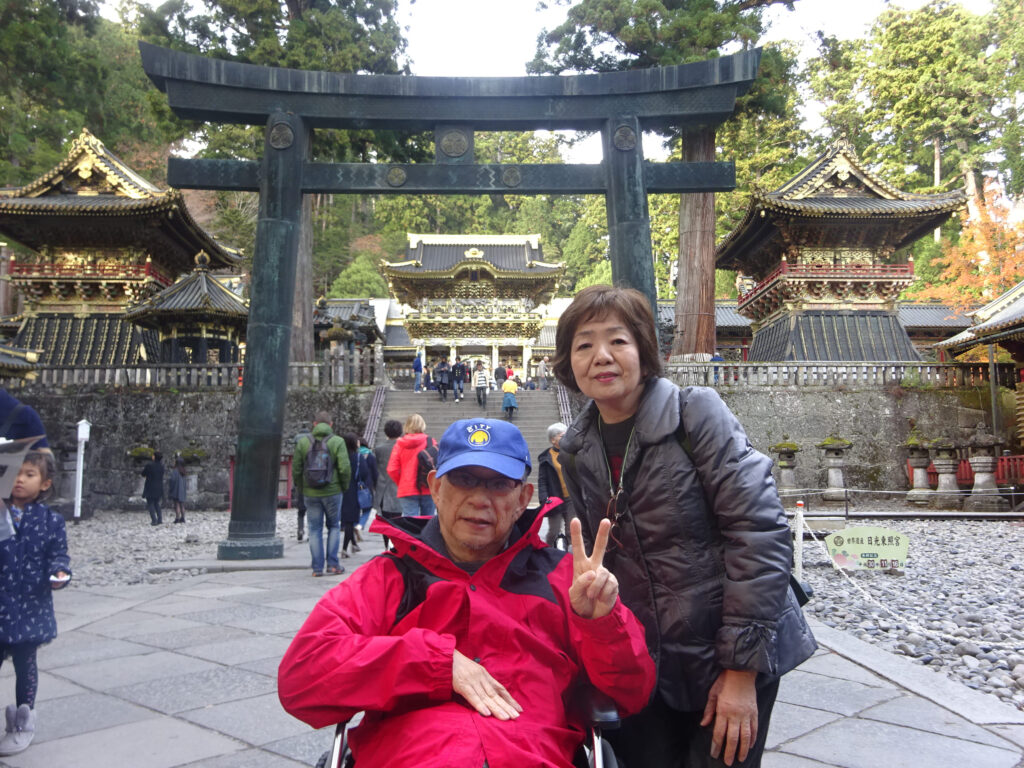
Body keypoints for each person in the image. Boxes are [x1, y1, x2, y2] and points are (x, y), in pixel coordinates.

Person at [278, 418, 655, 768]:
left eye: (498, 484)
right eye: (463, 479)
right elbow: (301, 677)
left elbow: (631, 693)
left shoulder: (565, 580)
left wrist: (602, 625)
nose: (479, 498)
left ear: (523, 498)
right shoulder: (388, 577)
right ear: (435, 488)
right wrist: (434, 663)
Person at [553, 285, 816, 768]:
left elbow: (758, 533)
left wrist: (740, 671)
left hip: (726, 646)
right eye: (584, 344)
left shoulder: (695, 413)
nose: (601, 356)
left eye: (618, 340)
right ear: (568, 362)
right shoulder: (575, 449)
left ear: (643, 351)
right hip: (647, 659)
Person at [0, 452, 70, 756]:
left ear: (45, 483)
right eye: (14, 473)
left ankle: (22, 721)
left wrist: (60, 573)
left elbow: (58, 554)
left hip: (30, 606)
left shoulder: (50, 521)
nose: (19, 480)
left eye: (29, 474)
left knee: (25, 664)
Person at [292, 411, 352, 577]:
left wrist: (301, 487)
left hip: (310, 492)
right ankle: (332, 564)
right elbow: (344, 468)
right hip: (333, 490)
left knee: (314, 529)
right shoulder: (337, 441)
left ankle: (317, 568)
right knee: (334, 526)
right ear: (331, 424)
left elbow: (296, 468)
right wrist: (343, 486)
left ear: (314, 424)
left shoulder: (303, 442)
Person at [386, 414, 437, 517]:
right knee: (428, 520)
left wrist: (401, 482)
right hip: (427, 486)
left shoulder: (400, 444)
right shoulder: (431, 441)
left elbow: (392, 469)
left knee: (410, 521)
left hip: (407, 488)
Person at [537, 422, 573, 548]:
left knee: (571, 531)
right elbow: (542, 481)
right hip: (555, 499)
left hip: (571, 498)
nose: (565, 438)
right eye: (562, 436)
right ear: (553, 440)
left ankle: (571, 555)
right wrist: (544, 498)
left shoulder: (572, 453)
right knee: (553, 532)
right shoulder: (546, 458)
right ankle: (548, 552)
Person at [372, 420, 403, 550]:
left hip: (383, 489)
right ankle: (396, 545)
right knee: (399, 520)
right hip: (400, 488)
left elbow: (374, 470)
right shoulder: (403, 447)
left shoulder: (379, 449)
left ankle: (387, 546)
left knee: (386, 521)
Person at [339, 434, 366, 559]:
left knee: (346, 519)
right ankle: (345, 548)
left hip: (341, 490)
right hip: (354, 490)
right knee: (350, 521)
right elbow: (365, 473)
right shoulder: (358, 458)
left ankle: (354, 543)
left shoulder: (341, 457)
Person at [354, 437, 378, 542]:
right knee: (367, 508)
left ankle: (355, 525)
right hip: (367, 486)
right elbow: (375, 472)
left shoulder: (354, 455)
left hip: (354, 485)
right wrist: (375, 484)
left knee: (355, 508)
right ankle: (360, 525)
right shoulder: (370, 456)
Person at [141, 450, 164, 526]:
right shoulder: (161, 466)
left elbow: (143, 473)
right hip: (159, 486)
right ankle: (160, 519)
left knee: (150, 503)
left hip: (150, 486)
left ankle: (154, 520)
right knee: (157, 503)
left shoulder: (149, 465)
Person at [167, 457, 187, 524]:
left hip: (176, 489)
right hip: (182, 490)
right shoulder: (183, 471)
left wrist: (171, 488)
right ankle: (183, 517)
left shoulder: (175, 471)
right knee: (182, 504)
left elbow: (172, 480)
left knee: (177, 504)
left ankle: (177, 518)